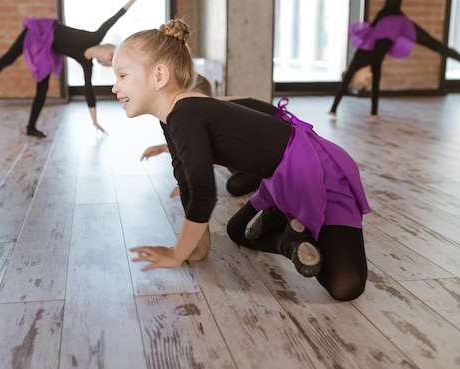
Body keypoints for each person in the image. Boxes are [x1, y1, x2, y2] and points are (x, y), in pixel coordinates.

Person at [112, 19, 371, 301]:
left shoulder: (186, 114)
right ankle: (290, 239)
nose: (115, 87)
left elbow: (201, 192)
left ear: (159, 76)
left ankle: (294, 224)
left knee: (346, 285)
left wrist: (178, 253)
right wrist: (197, 249)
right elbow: (186, 181)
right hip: (279, 176)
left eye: (122, 76)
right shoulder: (173, 117)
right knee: (237, 231)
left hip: (315, 171)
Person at [0, 0, 149, 137]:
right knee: (8, 59)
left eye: (111, 62)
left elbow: (89, 93)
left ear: (103, 63)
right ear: (108, 46)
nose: (111, 58)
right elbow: (117, 16)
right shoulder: (96, 36)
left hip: (47, 51)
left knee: (43, 88)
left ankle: (31, 127)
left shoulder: (87, 65)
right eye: (112, 54)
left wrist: (95, 121)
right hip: (40, 33)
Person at [329, 0, 460, 118]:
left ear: (353, 74)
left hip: (386, 17)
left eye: (360, 82)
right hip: (399, 28)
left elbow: (343, 86)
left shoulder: (359, 59)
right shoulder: (375, 65)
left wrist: (333, 109)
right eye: (365, 85)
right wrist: (374, 113)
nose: (366, 82)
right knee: (434, 45)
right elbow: (376, 86)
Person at [140, 74, 276, 197]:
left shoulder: (215, 115)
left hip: (276, 148)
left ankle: (272, 178)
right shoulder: (208, 108)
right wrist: (162, 148)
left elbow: (203, 158)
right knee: (231, 161)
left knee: (235, 186)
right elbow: (193, 145)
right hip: (252, 144)